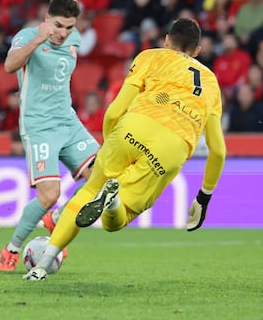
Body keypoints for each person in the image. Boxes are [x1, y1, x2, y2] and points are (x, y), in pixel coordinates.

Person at [23, 17, 227, 281]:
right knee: (115, 222)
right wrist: (204, 197)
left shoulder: (150, 56)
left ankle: (43, 265)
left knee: (87, 192)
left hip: (133, 127)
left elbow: (115, 111)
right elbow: (218, 150)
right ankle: (115, 201)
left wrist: (112, 142)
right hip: (171, 147)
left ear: (166, 40)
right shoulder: (211, 83)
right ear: (197, 50)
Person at [0, 0, 100, 271]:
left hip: (68, 121)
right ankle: (11, 249)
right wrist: (38, 39)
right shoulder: (27, 37)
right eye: (58, 26)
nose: (63, 33)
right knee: (48, 195)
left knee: (105, 178)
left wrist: (64, 34)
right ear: (46, 20)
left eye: (69, 27)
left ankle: (57, 219)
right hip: (39, 125)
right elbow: (9, 66)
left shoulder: (74, 38)